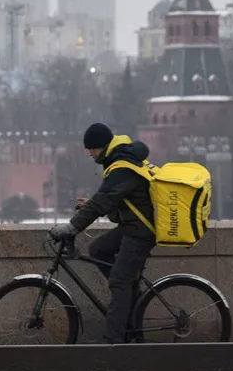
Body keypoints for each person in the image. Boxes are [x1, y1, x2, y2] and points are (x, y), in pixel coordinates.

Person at [49, 123, 156, 344]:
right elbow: (118, 199)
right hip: (133, 225)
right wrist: (90, 204)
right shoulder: (120, 160)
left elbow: (102, 201)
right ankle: (131, 299)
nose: (90, 154)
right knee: (98, 249)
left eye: (91, 150)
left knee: (119, 280)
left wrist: (72, 227)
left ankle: (115, 339)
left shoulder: (122, 167)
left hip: (141, 230)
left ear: (102, 146)